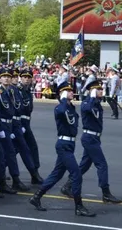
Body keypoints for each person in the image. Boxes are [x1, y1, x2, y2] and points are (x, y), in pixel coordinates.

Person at [29, 81, 95, 217]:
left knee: (57, 174)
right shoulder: (60, 107)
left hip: (70, 145)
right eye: (68, 91)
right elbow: (60, 112)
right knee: (76, 174)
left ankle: (36, 197)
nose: (72, 92)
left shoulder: (70, 108)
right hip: (63, 145)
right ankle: (79, 206)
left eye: (71, 90)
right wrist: (63, 99)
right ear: (62, 94)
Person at [60, 79, 121, 204]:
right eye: (98, 89)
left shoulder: (97, 103)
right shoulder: (88, 102)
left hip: (94, 138)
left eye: (101, 89)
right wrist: (92, 97)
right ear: (92, 91)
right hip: (89, 138)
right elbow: (86, 109)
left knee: (84, 165)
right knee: (102, 165)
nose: (101, 91)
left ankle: (67, 186)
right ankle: (106, 193)